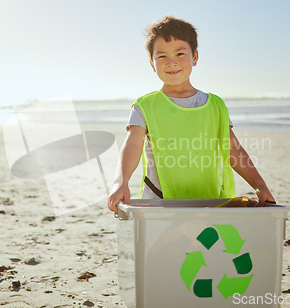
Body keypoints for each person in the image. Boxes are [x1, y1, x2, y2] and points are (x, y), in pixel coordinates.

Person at [107, 15, 276, 213]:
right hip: (161, 204)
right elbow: (133, 145)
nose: (171, 62)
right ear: (152, 64)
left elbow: (233, 149)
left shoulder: (216, 105)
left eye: (180, 54)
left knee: (207, 245)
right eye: (162, 56)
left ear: (194, 57)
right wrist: (121, 181)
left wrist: (260, 185)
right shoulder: (145, 106)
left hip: (209, 201)